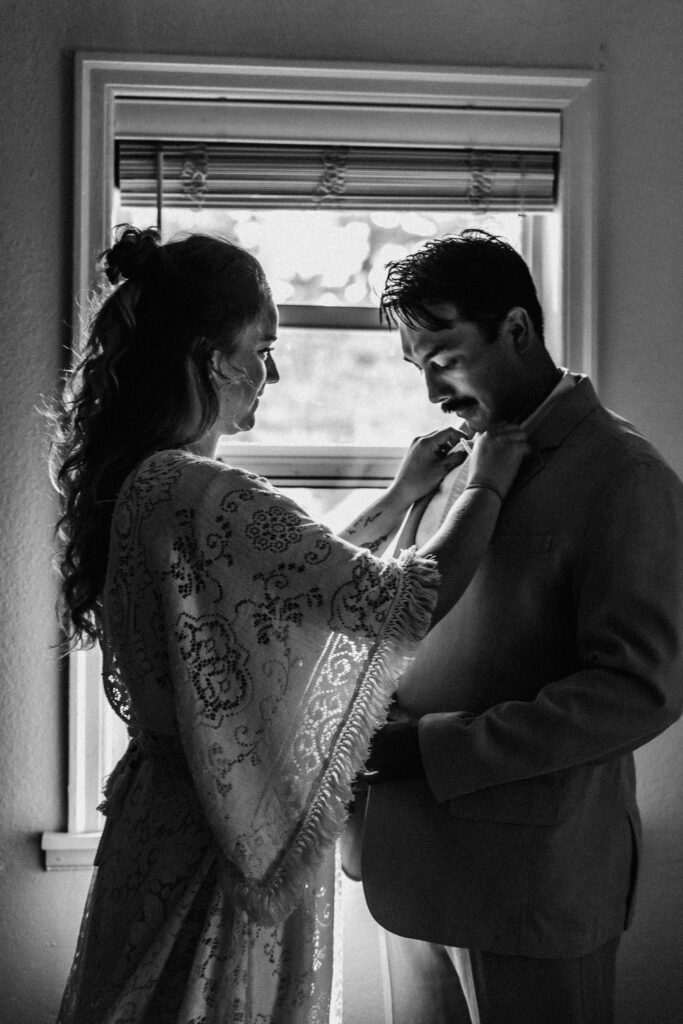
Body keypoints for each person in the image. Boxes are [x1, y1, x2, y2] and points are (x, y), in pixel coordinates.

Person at [49, 225, 528, 1024]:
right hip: (225, 831)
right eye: (262, 348)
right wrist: (488, 482)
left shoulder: (145, 482)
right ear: (211, 358)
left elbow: (289, 586)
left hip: (163, 820)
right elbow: (395, 601)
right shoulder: (204, 490)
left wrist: (403, 494)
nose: (272, 372)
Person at [356, 229, 683, 1024]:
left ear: (514, 329)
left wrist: (427, 748)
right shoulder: (456, 463)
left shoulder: (623, 475)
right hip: (406, 859)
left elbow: (640, 688)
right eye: (415, 366)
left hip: (528, 879)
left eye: (443, 354)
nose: (430, 388)